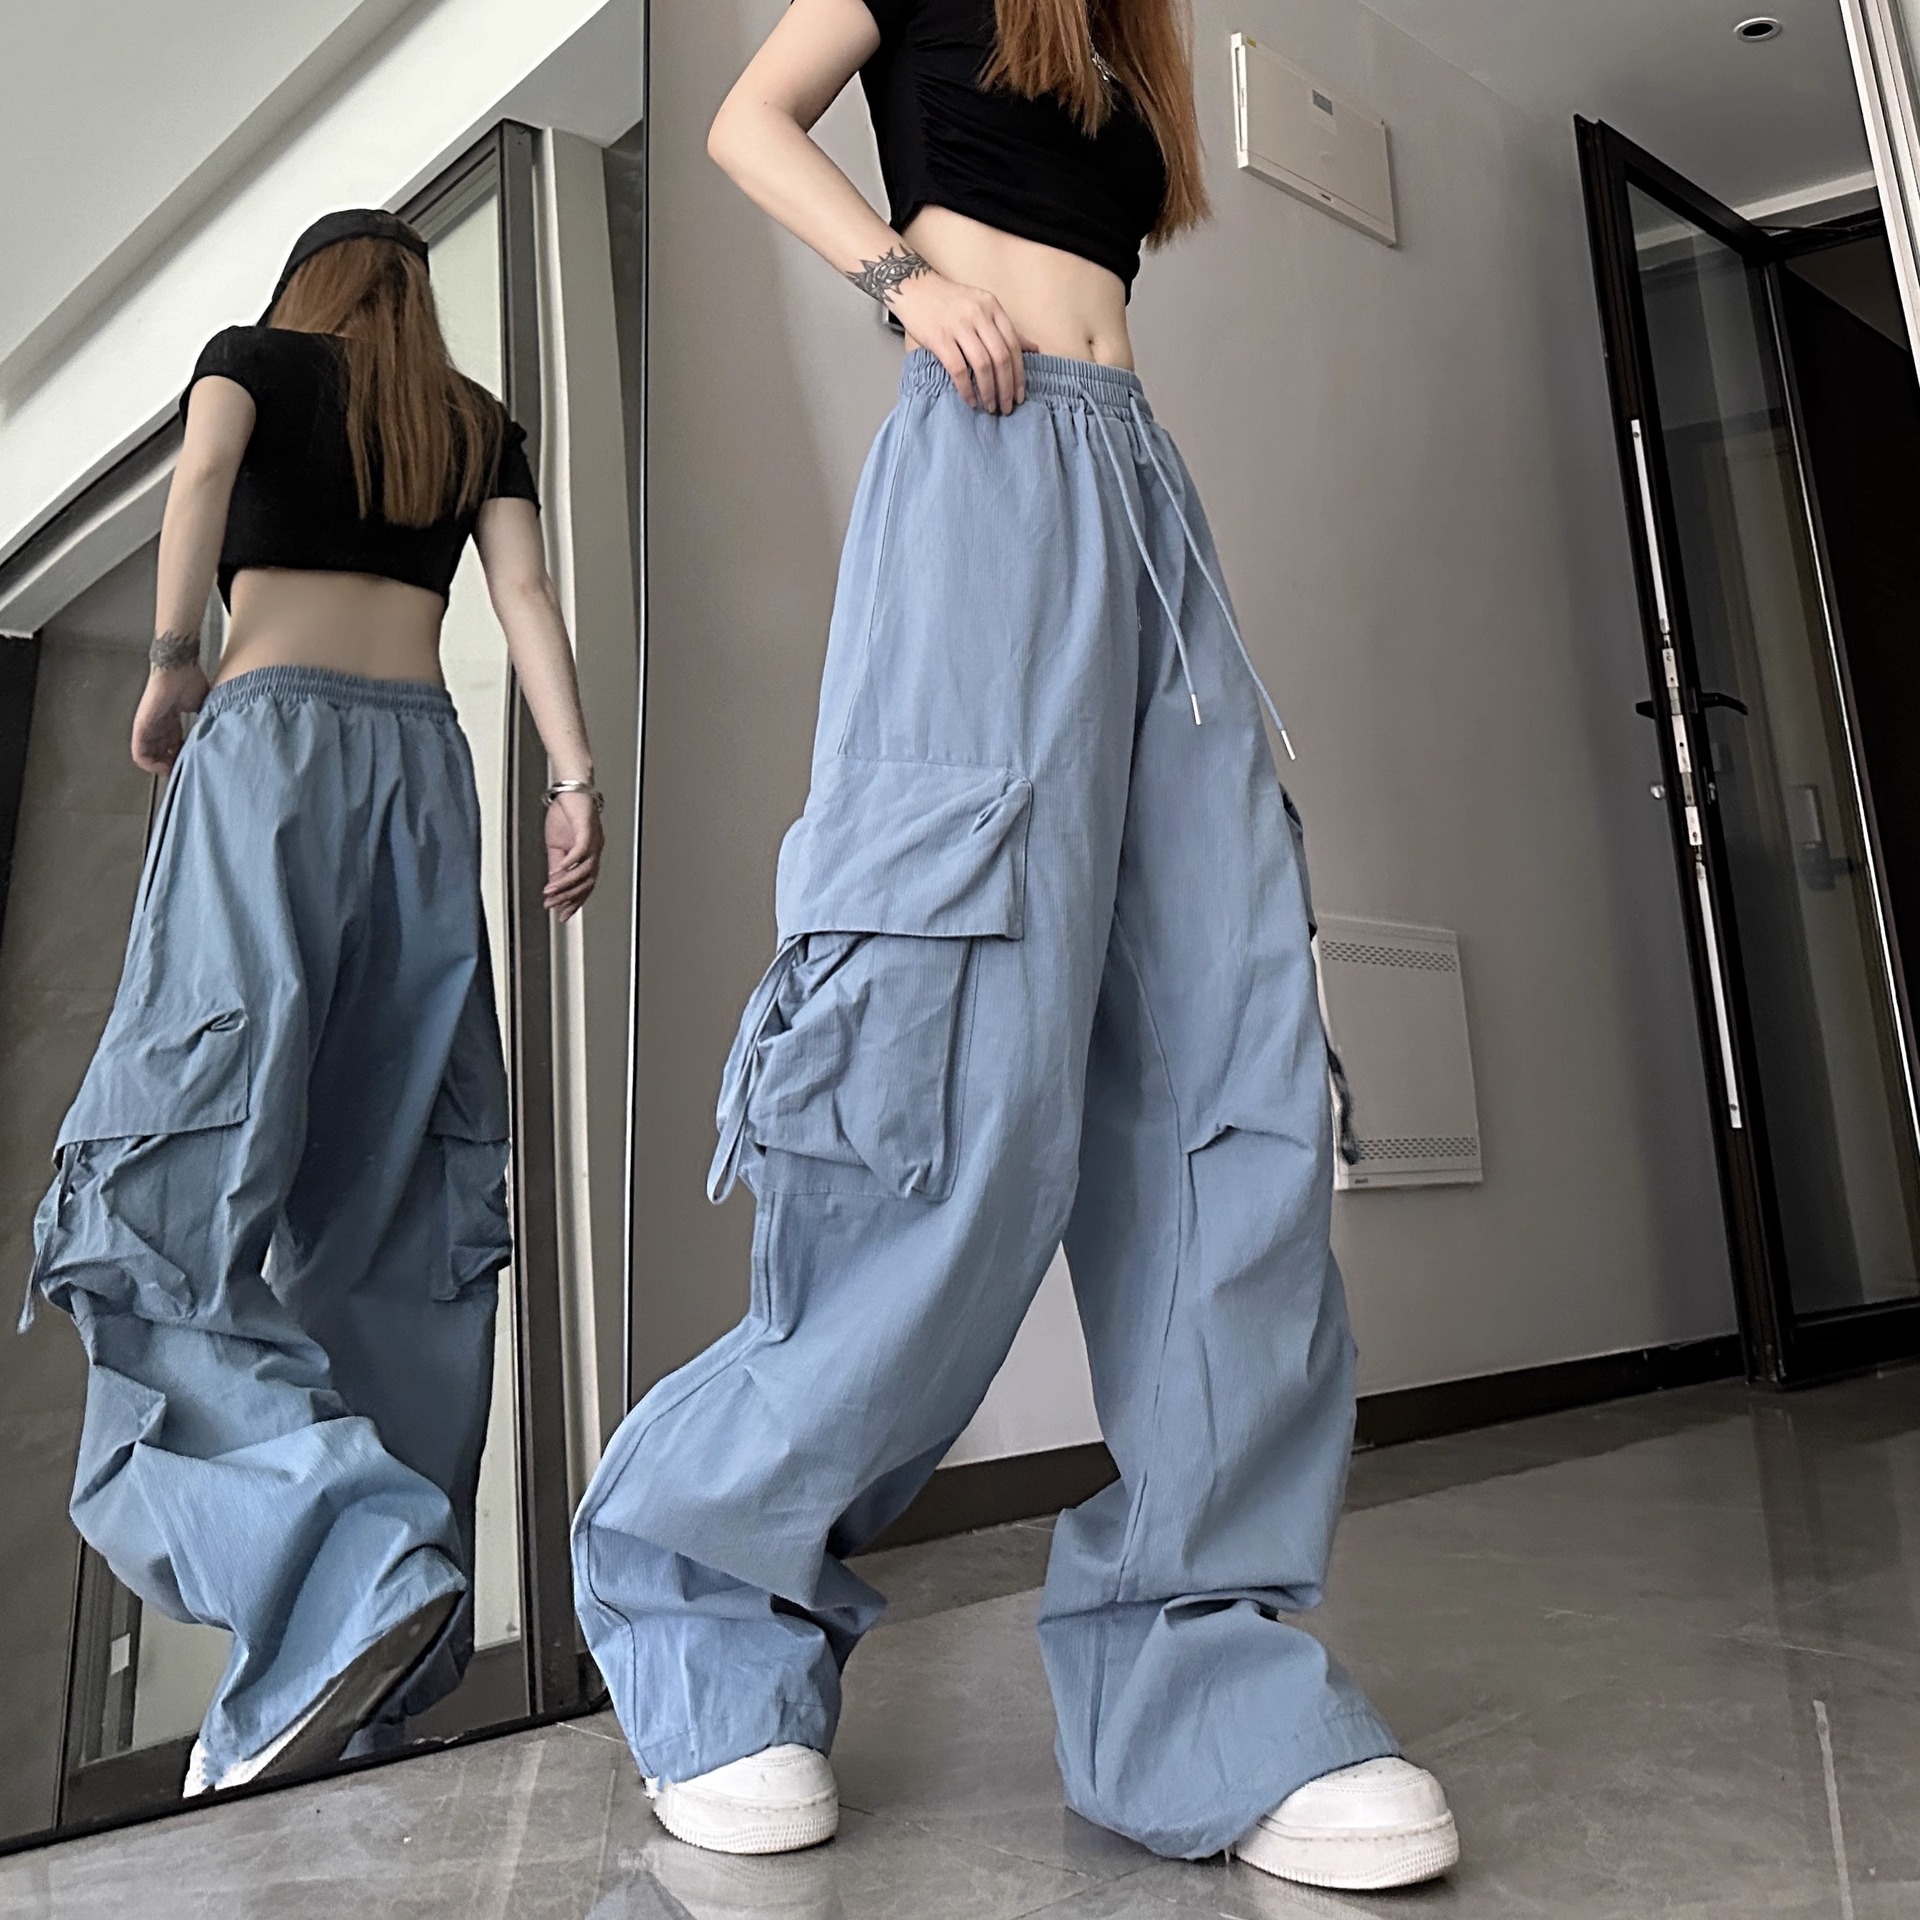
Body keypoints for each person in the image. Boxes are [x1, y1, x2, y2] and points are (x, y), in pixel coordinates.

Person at [570, 0, 1458, 1893]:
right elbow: (748, 119)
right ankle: (702, 1585)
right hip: (982, 471)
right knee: (953, 1080)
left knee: (1228, 1077)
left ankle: (1200, 1677)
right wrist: (899, 278)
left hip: (1142, 496)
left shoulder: (1126, 36)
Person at [24, 209, 604, 1797]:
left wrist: (170, 659)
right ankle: (374, 1670)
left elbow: (200, 480)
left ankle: (340, 1575)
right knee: (400, 1222)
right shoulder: (469, 420)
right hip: (424, 780)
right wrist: (573, 778)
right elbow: (529, 599)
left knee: (164, 1191)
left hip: (270, 752)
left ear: (307, 289)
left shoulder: (252, 361)